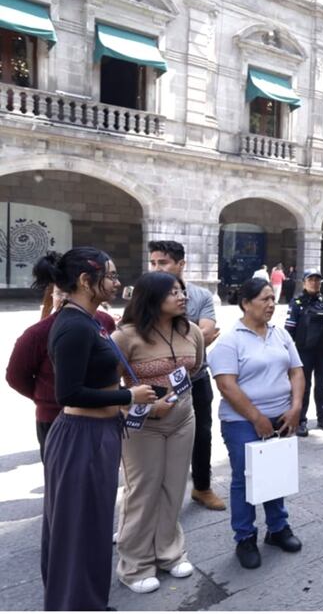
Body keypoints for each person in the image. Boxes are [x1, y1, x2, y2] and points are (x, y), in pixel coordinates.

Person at [33, 248, 157, 611]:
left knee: (92, 530)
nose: (118, 282)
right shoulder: (72, 325)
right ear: (86, 281)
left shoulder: (90, 320)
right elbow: (67, 393)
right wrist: (129, 395)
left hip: (97, 434)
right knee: (78, 533)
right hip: (81, 437)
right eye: (111, 275)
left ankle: (87, 601)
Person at [112, 272, 205, 593]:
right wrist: (149, 406)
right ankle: (135, 564)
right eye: (173, 293)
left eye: (182, 291)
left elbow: (195, 369)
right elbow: (107, 386)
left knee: (174, 486)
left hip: (183, 420)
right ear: (151, 298)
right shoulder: (125, 337)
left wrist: (173, 399)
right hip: (142, 427)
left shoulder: (191, 331)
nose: (182, 297)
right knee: (142, 491)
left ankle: (169, 552)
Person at [210, 278, 305, 570]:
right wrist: (256, 418)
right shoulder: (230, 340)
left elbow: (297, 371)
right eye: (264, 299)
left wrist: (296, 408)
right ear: (246, 303)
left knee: (276, 474)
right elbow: (227, 385)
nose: (271, 304)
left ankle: (278, 529)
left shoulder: (280, 335)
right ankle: (245, 537)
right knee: (245, 478)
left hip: (282, 418)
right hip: (241, 421)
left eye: (272, 299)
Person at [148, 240, 226, 511]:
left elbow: (208, 330)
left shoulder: (200, 295)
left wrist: (165, 342)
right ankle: (156, 498)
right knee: (157, 440)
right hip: (157, 384)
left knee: (202, 434)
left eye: (163, 262)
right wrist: (193, 338)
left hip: (196, 379)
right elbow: (137, 338)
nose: (157, 268)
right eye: (154, 262)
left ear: (181, 264)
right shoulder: (146, 294)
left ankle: (202, 487)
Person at [7, 287, 116, 461]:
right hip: (54, 418)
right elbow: (16, 377)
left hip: (101, 414)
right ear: (51, 295)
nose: (65, 299)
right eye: (60, 293)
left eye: (71, 292)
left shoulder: (104, 322)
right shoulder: (37, 332)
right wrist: (46, 397)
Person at [285, 269, 323, 434]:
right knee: (303, 386)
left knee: (322, 386)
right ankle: (300, 420)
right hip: (303, 352)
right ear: (304, 282)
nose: (315, 283)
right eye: (311, 280)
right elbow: (289, 330)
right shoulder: (297, 303)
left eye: (318, 280)